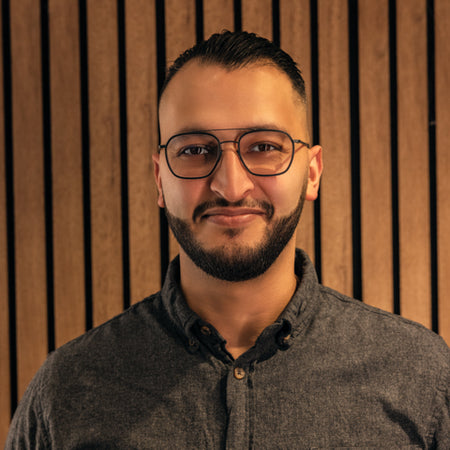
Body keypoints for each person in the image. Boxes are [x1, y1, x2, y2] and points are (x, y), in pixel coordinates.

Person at [6, 30, 449, 449]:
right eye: (195, 150)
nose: (232, 186)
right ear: (160, 179)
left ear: (312, 172)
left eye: (264, 147)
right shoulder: (67, 389)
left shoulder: (421, 376)